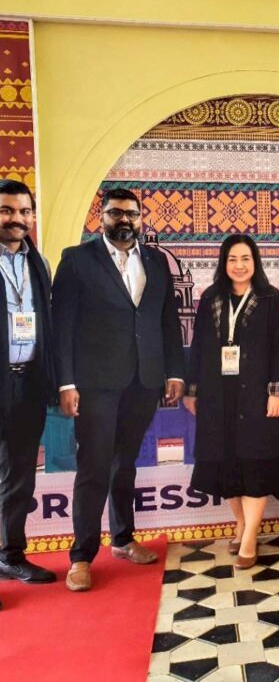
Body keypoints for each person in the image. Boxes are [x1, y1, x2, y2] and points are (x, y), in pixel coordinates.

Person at [52, 187, 185, 592]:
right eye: (115, 213)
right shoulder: (77, 260)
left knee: (125, 463)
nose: (124, 219)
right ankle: (81, 556)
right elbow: (63, 325)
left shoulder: (156, 261)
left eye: (131, 214)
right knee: (94, 466)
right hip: (95, 384)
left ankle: (124, 539)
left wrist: (174, 372)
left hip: (144, 381)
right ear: (102, 216)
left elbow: (167, 320)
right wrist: (66, 382)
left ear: (141, 219)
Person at [184, 235, 279, 570]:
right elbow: (198, 348)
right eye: (232, 259)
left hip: (257, 395)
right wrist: (192, 390)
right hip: (218, 396)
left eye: (246, 258)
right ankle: (241, 523)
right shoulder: (210, 297)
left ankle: (249, 538)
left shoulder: (270, 298)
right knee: (225, 464)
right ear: (223, 262)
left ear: (255, 262)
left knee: (255, 465)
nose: (239, 265)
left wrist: (277, 391)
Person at [0, 180, 56, 601]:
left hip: (28, 383)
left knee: (19, 476)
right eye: (6, 210)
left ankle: (10, 555)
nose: (16, 218)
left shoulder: (38, 263)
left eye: (23, 211)